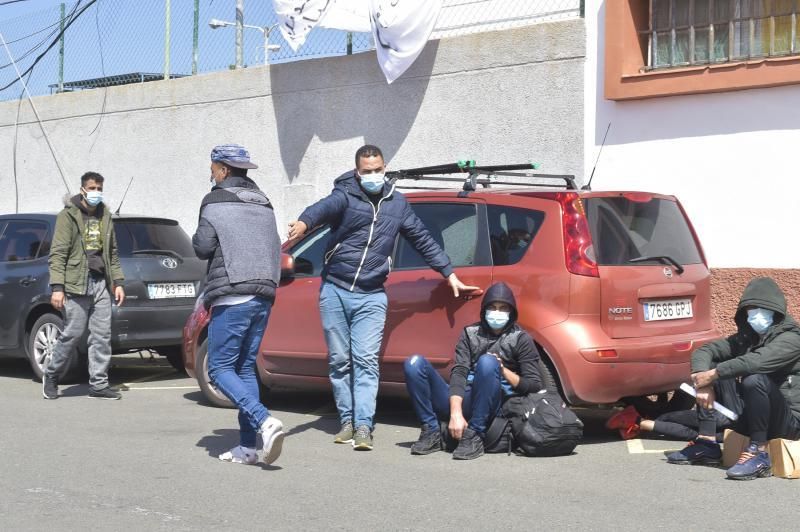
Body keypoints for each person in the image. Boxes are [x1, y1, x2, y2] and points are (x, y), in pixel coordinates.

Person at [287, 144, 477, 451]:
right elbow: (321, 209)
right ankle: (346, 421)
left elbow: (423, 240)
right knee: (339, 361)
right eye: (367, 171)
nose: (373, 175)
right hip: (334, 289)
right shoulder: (346, 196)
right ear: (357, 172)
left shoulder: (397, 204)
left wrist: (449, 273)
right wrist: (303, 223)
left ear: (384, 167)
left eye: (377, 170)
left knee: (365, 362)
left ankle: (363, 426)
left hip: (371, 295)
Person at [192, 144, 285, 466]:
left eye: (213, 167)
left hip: (233, 292)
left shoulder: (215, 199)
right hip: (264, 292)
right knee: (245, 368)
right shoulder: (264, 201)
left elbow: (203, 246)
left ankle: (264, 421)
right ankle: (247, 447)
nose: (211, 173)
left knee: (218, 369)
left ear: (224, 169)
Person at [665, 277, 800, 480]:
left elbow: (757, 362)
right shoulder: (747, 338)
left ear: (776, 311)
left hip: (788, 421)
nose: (755, 315)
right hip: (751, 413)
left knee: (754, 379)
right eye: (750, 309)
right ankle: (707, 443)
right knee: (713, 364)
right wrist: (702, 380)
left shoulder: (792, 339)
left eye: (761, 308)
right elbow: (706, 350)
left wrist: (714, 375)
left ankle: (758, 453)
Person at [403, 282, 542, 460]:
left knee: (487, 362)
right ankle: (431, 430)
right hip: (464, 397)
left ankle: (475, 434)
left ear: (511, 312)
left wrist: (503, 370)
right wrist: (456, 413)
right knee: (414, 363)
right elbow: (459, 372)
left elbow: (534, 384)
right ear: (484, 310)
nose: (497, 313)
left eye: (503, 308)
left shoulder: (521, 339)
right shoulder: (470, 333)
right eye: (492, 307)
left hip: (493, 403)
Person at [43, 171, 125, 400]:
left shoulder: (105, 216)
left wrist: (117, 282)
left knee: (101, 336)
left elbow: (113, 253)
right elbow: (57, 254)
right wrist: (57, 287)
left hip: (100, 283)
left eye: (99, 188)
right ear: (82, 190)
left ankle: (99, 384)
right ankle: (51, 374)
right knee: (72, 334)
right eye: (92, 188)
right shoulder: (68, 216)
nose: (96, 193)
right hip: (76, 283)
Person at [605, 379, 738, 442]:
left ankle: (639, 422)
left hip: (742, 427)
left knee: (707, 436)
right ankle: (643, 419)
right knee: (716, 424)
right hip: (733, 412)